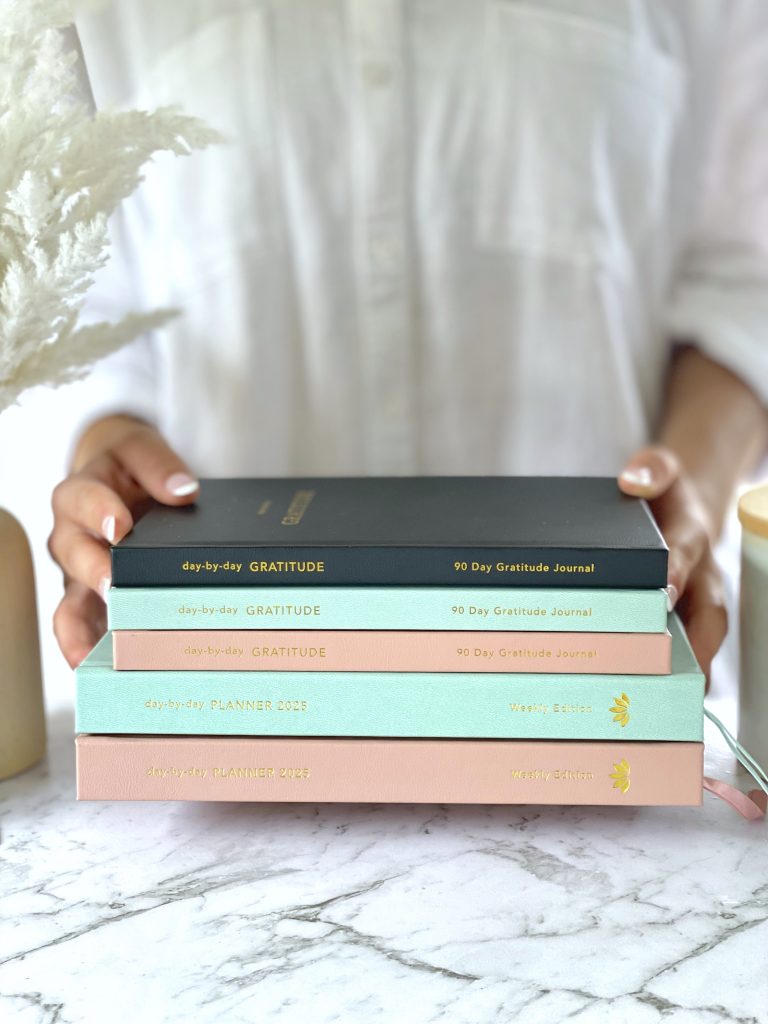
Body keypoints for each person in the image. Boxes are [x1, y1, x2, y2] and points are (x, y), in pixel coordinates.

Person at [49, 1, 768, 674]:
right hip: (224, 675)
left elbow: (742, 280)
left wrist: (694, 495)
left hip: (601, 669)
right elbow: (93, 312)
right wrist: (106, 471)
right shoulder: (86, 16)